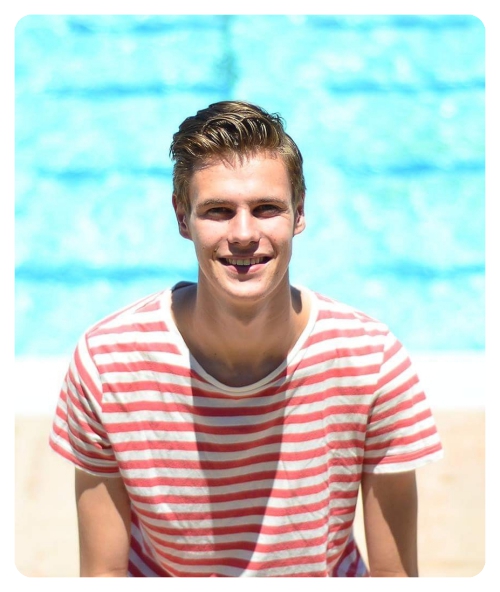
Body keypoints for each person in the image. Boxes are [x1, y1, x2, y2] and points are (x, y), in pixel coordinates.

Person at [49, 100, 443, 577]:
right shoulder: (107, 364)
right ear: (182, 217)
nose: (243, 233)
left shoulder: (372, 361)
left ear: (299, 212)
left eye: (265, 208)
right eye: (218, 210)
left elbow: (395, 579)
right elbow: (103, 577)